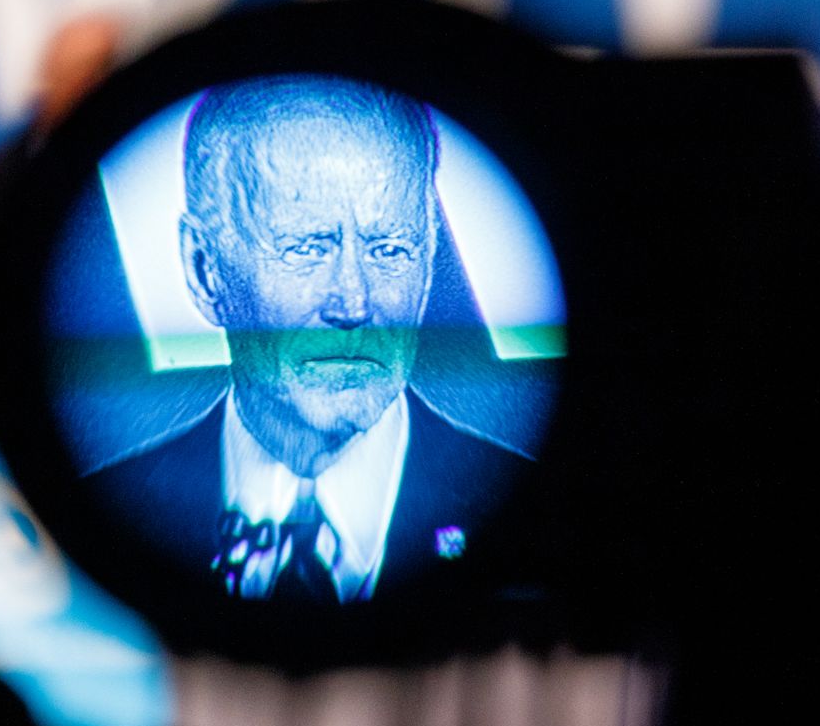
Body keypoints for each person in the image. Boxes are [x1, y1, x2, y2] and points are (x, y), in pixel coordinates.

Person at [89, 74, 526, 604]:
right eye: (306, 249)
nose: (354, 303)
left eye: (389, 250)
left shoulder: (537, 511)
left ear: (430, 262)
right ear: (205, 271)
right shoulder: (100, 512)